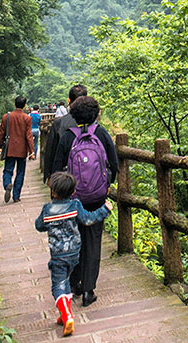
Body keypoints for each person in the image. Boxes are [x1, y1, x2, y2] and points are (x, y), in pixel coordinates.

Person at [50, 95, 117, 305]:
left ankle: (75, 284)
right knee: (93, 241)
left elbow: (56, 170)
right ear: (96, 114)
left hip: (72, 198)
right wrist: (105, 185)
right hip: (97, 197)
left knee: (73, 238)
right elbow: (114, 164)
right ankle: (89, 290)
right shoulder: (102, 133)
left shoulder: (68, 136)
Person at [35, 171, 109, 337]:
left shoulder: (48, 210)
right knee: (66, 281)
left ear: (53, 191)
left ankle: (67, 314)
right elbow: (88, 219)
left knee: (57, 286)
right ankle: (63, 314)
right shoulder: (75, 206)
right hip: (75, 254)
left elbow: (39, 225)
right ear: (73, 192)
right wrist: (104, 209)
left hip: (58, 256)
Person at [43, 85, 88, 178]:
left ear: (69, 100)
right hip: (89, 176)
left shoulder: (59, 123)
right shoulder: (93, 123)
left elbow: (50, 151)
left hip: (63, 177)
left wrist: (48, 175)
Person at [1, 95, 35, 202]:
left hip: (10, 148)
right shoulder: (27, 118)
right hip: (22, 149)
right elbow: (28, 135)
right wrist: (32, 151)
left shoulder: (6, 117)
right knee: (20, 172)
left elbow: (1, 133)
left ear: (14, 104)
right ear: (24, 106)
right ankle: (16, 196)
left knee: (8, 169)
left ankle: (7, 184)